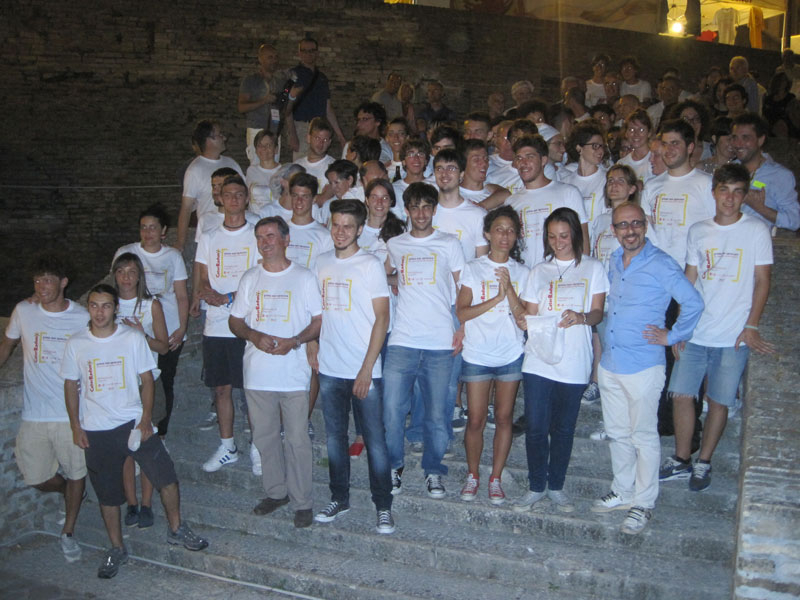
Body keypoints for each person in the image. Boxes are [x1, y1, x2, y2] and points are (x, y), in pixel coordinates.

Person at [62, 284, 208, 579]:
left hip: (133, 422)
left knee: (166, 477)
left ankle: (176, 528)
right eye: (94, 305)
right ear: (88, 308)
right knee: (107, 496)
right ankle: (117, 547)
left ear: (115, 308)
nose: (99, 312)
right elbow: (70, 384)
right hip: (97, 428)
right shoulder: (76, 343)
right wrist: (76, 426)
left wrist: (145, 419)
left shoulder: (131, 337)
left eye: (106, 306)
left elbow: (148, 379)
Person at [590, 202, 703, 535]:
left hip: (643, 366)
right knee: (618, 433)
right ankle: (623, 491)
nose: (630, 231)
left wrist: (673, 335)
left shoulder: (661, 263)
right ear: (614, 230)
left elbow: (694, 302)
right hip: (610, 363)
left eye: (636, 223)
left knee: (643, 436)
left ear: (645, 225)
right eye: (623, 225)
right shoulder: (613, 261)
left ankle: (643, 502)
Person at [660, 164, 774, 492]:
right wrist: (681, 327)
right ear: (714, 193)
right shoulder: (699, 230)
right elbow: (689, 281)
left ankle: (705, 461)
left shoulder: (756, 231)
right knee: (681, 394)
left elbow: (763, 281)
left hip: (732, 333)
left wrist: (751, 325)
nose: (730, 198)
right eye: (724, 190)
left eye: (738, 192)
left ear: (745, 196)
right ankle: (682, 458)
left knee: (719, 400)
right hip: (698, 330)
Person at [229, 216, 321, 529]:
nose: (265, 242)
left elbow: (318, 321)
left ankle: (302, 501)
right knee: (264, 438)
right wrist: (254, 336)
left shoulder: (304, 277)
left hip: (293, 373)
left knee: (297, 439)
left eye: (270, 236)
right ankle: (276, 492)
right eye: (260, 237)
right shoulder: (250, 278)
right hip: (257, 373)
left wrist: (295, 341)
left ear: (286, 239)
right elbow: (235, 321)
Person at [514, 208, 606, 513]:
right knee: (536, 426)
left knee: (564, 428)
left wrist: (581, 317)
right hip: (539, 357)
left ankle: (556, 486)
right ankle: (535, 485)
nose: (558, 242)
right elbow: (529, 315)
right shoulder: (538, 271)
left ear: (575, 235)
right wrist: (523, 319)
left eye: (564, 236)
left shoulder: (593, 267)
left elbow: (598, 312)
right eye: (552, 237)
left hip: (575, 358)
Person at [311, 199, 395, 533]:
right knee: (335, 438)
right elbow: (315, 312)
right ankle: (339, 498)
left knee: (375, 441)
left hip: (364, 369)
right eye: (336, 225)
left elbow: (382, 318)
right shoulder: (320, 262)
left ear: (360, 229)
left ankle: (383, 505)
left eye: (348, 226)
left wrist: (366, 368)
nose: (341, 231)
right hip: (331, 368)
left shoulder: (369, 265)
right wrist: (312, 345)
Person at [0, 254, 88, 563]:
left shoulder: (81, 316)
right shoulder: (24, 311)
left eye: (48, 280)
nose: (41, 286)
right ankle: (70, 493)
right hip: (35, 412)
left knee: (77, 471)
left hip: (70, 414)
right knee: (35, 477)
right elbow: (7, 344)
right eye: (37, 281)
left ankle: (68, 531)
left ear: (63, 282)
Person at [383, 182, 466, 498]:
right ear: (406, 210)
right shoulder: (395, 244)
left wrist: (463, 327)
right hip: (402, 339)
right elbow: (384, 274)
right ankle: (394, 466)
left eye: (426, 207)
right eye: (415, 207)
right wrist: (394, 280)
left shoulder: (449, 244)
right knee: (392, 409)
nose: (420, 213)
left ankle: (434, 471)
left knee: (437, 412)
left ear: (434, 210)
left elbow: (464, 288)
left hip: (440, 341)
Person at [456, 206, 528, 505]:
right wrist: (496, 297)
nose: (505, 236)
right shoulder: (473, 268)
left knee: (504, 417)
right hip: (477, 353)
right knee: (475, 419)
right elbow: (462, 312)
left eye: (511, 230)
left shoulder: (523, 271)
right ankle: (473, 474)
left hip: (510, 352)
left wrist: (508, 290)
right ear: (487, 233)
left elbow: (524, 318)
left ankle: (495, 478)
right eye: (499, 229)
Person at [192, 175, 258, 473]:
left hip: (247, 321)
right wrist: (207, 293)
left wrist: (229, 296)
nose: (233, 199)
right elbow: (202, 276)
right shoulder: (209, 237)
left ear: (246, 198)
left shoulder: (256, 234)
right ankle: (228, 446)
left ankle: (257, 446)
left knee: (251, 390)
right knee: (221, 389)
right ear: (219, 198)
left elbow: (261, 275)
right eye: (228, 194)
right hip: (216, 324)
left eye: (239, 194)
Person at [112, 204, 188, 440]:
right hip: (135, 322)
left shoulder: (172, 256)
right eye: (143, 227)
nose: (148, 232)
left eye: (153, 227)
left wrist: (182, 327)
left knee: (163, 379)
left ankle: (159, 431)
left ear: (163, 231)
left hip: (168, 327)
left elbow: (181, 294)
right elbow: (115, 285)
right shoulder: (126, 252)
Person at [111, 252, 169, 530]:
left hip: (147, 382)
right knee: (125, 448)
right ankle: (131, 503)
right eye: (121, 271)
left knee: (145, 444)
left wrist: (141, 334)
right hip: (117, 384)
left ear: (139, 276)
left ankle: (146, 504)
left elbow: (164, 347)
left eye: (131, 272)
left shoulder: (150, 305)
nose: (126, 277)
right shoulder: (107, 303)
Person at [642, 119, 716, 269]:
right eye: (664, 144)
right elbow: (647, 230)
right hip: (660, 269)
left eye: (675, 143)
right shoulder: (651, 186)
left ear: (690, 147)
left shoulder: (707, 184)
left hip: (695, 269)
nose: (668, 149)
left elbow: (716, 230)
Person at [176, 120, 244, 250]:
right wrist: (180, 243)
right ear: (208, 140)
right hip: (211, 234)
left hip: (236, 230)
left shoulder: (232, 163)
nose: (224, 138)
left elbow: (244, 194)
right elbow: (186, 209)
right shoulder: (195, 170)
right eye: (220, 135)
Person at [731, 113, 800, 232]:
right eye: (735, 138)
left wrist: (759, 208)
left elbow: (794, 220)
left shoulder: (780, 175)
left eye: (745, 138)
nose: (738, 144)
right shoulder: (728, 170)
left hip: (757, 240)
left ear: (760, 140)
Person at [286, 36, 347, 160]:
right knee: (301, 163)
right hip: (301, 126)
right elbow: (287, 108)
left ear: (317, 53)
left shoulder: (322, 78)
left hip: (319, 127)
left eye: (312, 51)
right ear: (299, 53)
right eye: (304, 51)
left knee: (319, 161)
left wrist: (340, 135)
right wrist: (292, 134)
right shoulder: (292, 75)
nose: (308, 54)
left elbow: (328, 108)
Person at [237, 42, 288, 166]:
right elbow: (241, 107)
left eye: (276, 57)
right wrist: (264, 101)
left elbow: (285, 108)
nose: (274, 60)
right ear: (260, 59)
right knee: (256, 166)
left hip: (274, 132)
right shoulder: (251, 80)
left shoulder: (280, 82)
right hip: (256, 129)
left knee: (274, 167)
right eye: (270, 57)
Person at [561, 122, 609, 224]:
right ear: (579, 148)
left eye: (602, 146)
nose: (600, 151)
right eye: (595, 146)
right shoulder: (565, 182)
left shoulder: (607, 179)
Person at [294, 117, 336, 193]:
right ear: (308, 138)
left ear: (329, 142)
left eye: (325, 140)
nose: (321, 143)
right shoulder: (297, 166)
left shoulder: (334, 166)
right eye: (317, 138)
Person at [245, 130, 282, 214]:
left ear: (276, 149)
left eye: (268, 145)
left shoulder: (283, 171)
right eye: (260, 145)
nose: (264, 148)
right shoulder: (251, 171)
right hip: (255, 218)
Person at [618, 109, 653, 183]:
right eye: (631, 130)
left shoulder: (656, 159)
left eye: (641, 130)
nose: (636, 134)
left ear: (649, 133)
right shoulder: (622, 163)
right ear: (626, 133)